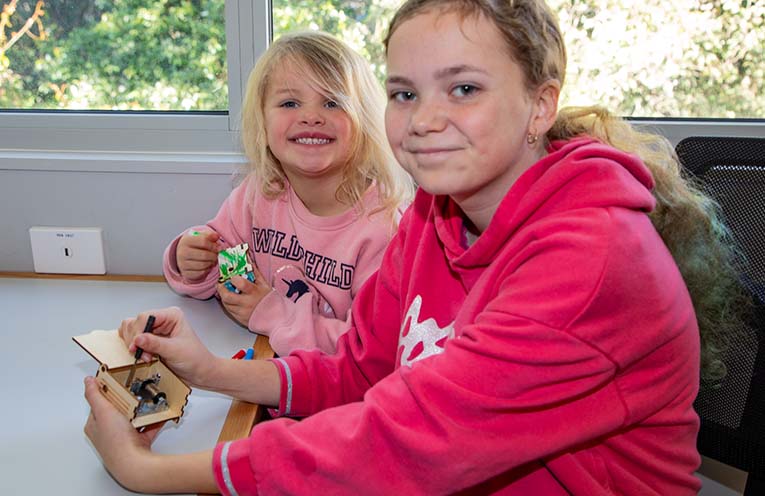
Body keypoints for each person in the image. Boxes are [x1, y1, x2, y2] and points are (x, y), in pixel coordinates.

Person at [84, 1, 749, 494]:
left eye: (463, 88)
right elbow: (359, 371)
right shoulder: (435, 214)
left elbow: (402, 443)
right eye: (405, 93)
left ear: (539, 104)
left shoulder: (591, 261)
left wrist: (145, 470)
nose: (424, 120)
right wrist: (208, 371)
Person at [162, 30, 413, 356]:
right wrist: (189, 260)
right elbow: (221, 265)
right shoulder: (259, 194)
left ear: (365, 122)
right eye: (289, 103)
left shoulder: (385, 227)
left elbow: (370, 350)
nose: (311, 117)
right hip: (269, 362)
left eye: (332, 102)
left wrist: (270, 313)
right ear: (262, 123)